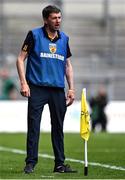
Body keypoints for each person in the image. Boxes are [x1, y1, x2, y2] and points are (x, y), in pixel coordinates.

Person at [16, 5, 76, 174]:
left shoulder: (64, 39)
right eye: (54, 18)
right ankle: (30, 163)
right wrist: (23, 83)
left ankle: (59, 164)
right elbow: (20, 59)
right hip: (37, 88)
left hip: (57, 90)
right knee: (34, 126)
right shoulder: (34, 35)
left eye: (59, 17)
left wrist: (71, 88)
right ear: (45, 20)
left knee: (58, 127)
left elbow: (68, 65)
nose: (58, 21)